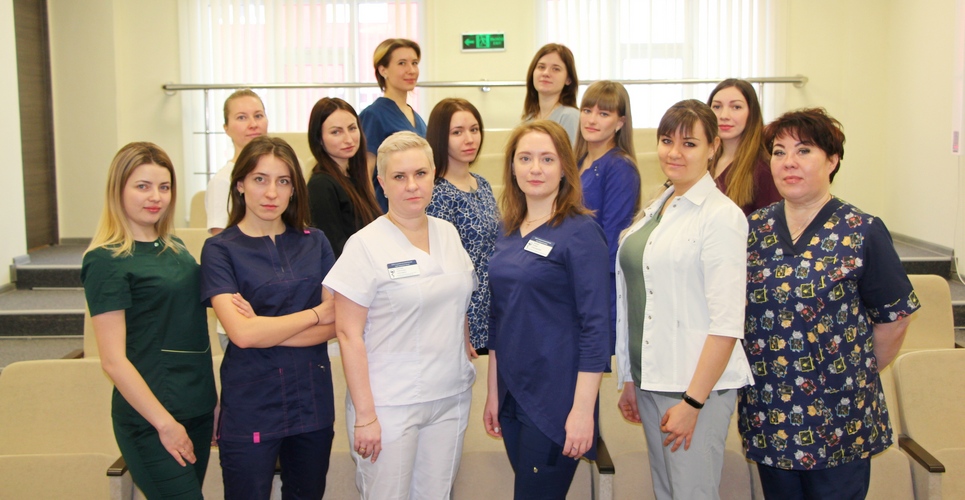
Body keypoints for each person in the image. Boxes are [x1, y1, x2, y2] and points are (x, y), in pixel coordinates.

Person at [739, 108, 919, 499]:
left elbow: (895, 317)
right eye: (779, 151)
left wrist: (847, 373)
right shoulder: (753, 230)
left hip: (840, 417)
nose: (789, 162)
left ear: (832, 160)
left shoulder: (861, 230)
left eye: (803, 150)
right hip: (771, 413)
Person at [324, 131, 476, 499]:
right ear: (382, 183)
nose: (412, 185)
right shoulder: (364, 245)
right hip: (388, 403)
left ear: (434, 175)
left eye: (420, 174)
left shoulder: (448, 233)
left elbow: (458, 302)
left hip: (450, 395)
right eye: (399, 176)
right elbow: (348, 333)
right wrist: (365, 416)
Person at [614, 100, 754, 500]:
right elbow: (640, 301)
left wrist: (693, 402)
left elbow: (727, 323)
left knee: (692, 493)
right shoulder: (661, 204)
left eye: (689, 144)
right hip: (652, 379)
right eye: (666, 141)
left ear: (713, 148)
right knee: (668, 492)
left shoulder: (721, 216)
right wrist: (630, 377)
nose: (674, 152)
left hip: (692, 387)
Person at [200, 136, 337, 499]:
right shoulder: (219, 250)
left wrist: (261, 326)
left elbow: (336, 323)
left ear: (294, 189)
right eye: (260, 179)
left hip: (311, 399)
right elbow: (242, 335)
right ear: (240, 184)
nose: (271, 192)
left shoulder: (315, 242)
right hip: (252, 402)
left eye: (283, 181)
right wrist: (314, 314)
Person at [82, 142, 216, 499]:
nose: (156, 197)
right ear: (118, 189)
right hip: (151, 419)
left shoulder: (176, 248)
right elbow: (112, 361)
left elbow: (192, 330)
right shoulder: (106, 260)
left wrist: (213, 401)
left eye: (164, 187)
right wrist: (165, 424)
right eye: (142, 186)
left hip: (197, 405)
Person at [484, 120, 610, 499]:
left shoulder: (580, 231)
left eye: (547, 159)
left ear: (564, 168)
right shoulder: (508, 230)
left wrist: (582, 411)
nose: (535, 168)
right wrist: (493, 393)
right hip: (512, 394)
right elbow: (497, 319)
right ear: (512, 167)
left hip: (557, 400)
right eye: (525, 158)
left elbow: (596, 328)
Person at [425, 98, 499, 352]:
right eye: (457, 132)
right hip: (463, 312)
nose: (469, 139)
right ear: (440, 137)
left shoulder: (482, 183)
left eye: (474, 129)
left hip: (493, 305)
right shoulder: (437, 193)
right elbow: (440, 268)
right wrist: (459, 325)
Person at [574, 80, 641, 349]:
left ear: (620, 122)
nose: (592, 120)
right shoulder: (578, 161)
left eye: (603, 113)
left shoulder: (619, 167)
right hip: (575, 279)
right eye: (587, 110)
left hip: (600, 287)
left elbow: (612, 241)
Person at [307, 97, 382, 257]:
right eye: (336, 132)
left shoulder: (355, 177)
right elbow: (334, 248)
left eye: (352, 128)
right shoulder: (321, 185)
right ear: (319, 138)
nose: (348, 139)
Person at [359, 38, 427, 213]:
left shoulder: (416, 117)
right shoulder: (374, 115)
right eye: (402, 63)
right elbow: (365, 173)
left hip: (415, 208)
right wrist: (373, 215)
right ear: (383, 70)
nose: (411, 70)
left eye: (414, 63)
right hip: (386, 211)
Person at [707, 79, 780, 215]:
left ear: (751, 113)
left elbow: (772, 223)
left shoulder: (763, 169)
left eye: (736, 107)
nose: (724, 116)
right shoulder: (704, 160)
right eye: (717, 107)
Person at [206, 88, 269, 234]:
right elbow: (220, 240)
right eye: (241, 118)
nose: (253, 124)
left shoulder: (285, 169)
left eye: (258, 116)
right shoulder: (222, 180)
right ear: (226, 128)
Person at [521, 43, 581, 146]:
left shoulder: (570, 116)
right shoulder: (529, 119)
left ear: (568, 79)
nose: (546, 73)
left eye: (556, 69)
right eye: (541, 67)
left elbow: (570, 156)